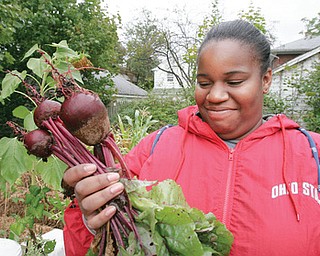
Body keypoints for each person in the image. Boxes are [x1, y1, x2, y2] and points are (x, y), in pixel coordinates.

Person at [62, 19, 320, 255]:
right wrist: (91, 222)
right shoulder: (154, 148)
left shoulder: (312, 153)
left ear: (265, 80)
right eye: (205, 83)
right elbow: (87, 245)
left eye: (234, 82)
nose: (215, 96)